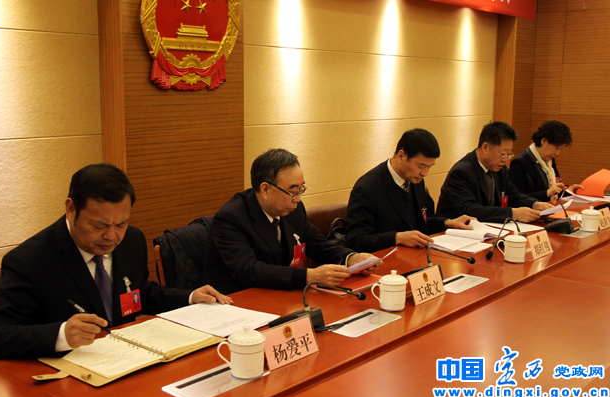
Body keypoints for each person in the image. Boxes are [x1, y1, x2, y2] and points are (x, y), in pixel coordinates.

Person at [0, 164, 231, 365]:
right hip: (63, 376)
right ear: (71, 209)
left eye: (121, 224)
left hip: (123, 363)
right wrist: (60, 334)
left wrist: (190, 297)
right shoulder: (30, 261)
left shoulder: (131, 240)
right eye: (99, 225)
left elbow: (138, 293)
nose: (112, 236)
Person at [203, 148, 379, 295]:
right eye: (293, 191)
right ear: (265, 189)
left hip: (276, 293)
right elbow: (248, 270)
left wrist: (352, 258)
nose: (298, 199)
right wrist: (309, 276)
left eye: (301, 189)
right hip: (238, 301)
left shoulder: (292, 209)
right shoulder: (231, 218)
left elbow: (316, 243)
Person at [345, 129, 474, 253]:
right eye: (421, 166)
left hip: (415, 256)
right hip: (385, 262)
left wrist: (448, 223)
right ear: (401, 156)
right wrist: (397, 238)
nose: (425, 173)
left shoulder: (415, 180)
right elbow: (356, 241)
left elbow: (420, 223)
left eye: (429, 167)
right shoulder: (367, 188)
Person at [436, 121, 552, 223]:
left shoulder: (500, 169)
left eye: (509, 154)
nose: (505, 160)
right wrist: (513, 213)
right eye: (503, 154)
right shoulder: (462, 172)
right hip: (454, 233)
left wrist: (535, 204)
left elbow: (514, 196)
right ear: (485, 147)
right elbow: (469, 209)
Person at [510, 120, 583, 202]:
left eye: (560, 149)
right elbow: (516, 198)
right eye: (557, 148)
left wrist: (568, 191)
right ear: (544, 141)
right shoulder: (520, 163)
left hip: (549, 206)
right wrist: (546, 193)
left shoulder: (550, 160)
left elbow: (555, 191)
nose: (557, 153)